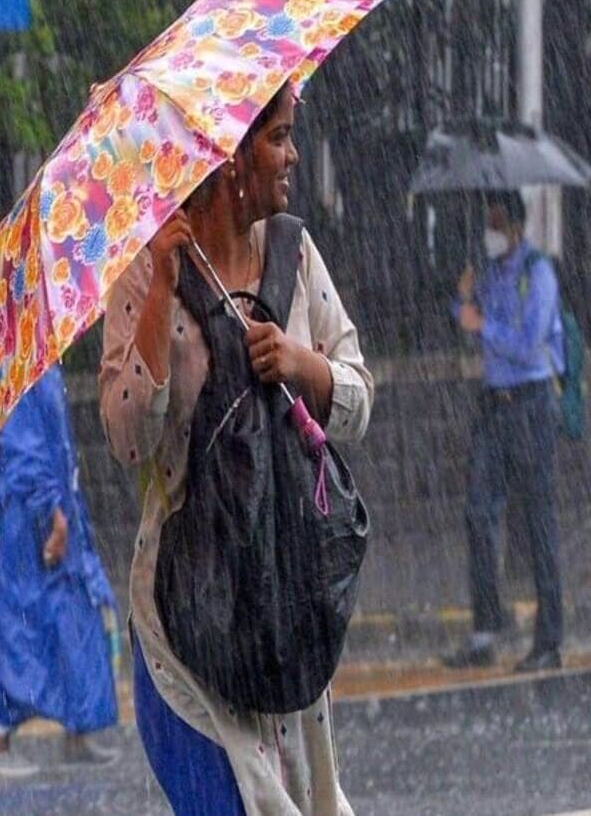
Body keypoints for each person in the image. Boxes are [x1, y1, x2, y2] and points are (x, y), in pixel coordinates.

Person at [100, 83, 374, 815]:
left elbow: (357, 399)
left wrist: (301, 364)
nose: (293, 155)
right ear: (229, 160)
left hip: (285, 600)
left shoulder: (295, 252)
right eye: (278, 137)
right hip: (188, 617)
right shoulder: (143, 267)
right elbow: (128, 438)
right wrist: (162, 287)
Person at [0, 364, 119, 778]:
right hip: (23, 524)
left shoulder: (29, 360)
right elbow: (25, 445)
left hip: (36, 514)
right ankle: (0, 737)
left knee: (69, 617)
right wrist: (50, 509)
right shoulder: (16, 363)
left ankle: (78, 729)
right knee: (30, 625)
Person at [442, 193, 565, 672]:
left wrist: (482, 324)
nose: (490, 233)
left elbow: (528, 344)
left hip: (530, 405)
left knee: (538, 521)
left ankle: (549, 639)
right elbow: (470, 320)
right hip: (494, 406)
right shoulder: (492, 273)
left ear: (515, 225)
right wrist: (463, 299)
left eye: (497, 223)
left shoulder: (538, 273)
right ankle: (485, 630)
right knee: (477, 513)